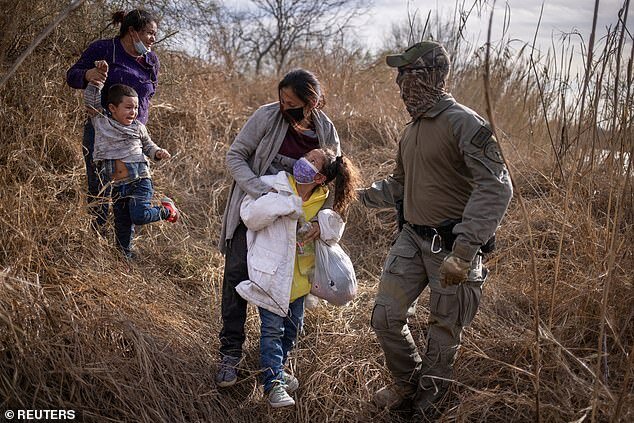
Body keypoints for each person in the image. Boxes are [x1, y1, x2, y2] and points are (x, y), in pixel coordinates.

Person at [358, 40, 513, 418]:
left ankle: (427, 407)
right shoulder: (411, 129)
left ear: (429, 76)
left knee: (443, 335)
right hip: (412, 238)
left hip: (454, 250)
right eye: (398, 77)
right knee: (385, 317)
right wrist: (354, 195)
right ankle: (408, 385)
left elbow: (496, 186)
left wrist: (464, 251)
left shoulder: (465, 123)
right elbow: (398, 185)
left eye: (406, 75)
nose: (399, 84)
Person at [216, 69, 341, 387]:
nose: (284, 105)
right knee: (236, 277)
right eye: (281, 99)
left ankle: (275, 365)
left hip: (295, 229)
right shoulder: (266, 117)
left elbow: (334, 178)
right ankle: (230, 354)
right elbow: (236, 156)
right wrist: (260, 191)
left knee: (288, 290)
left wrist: (320, 222)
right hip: (254, 214)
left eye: (291, 101)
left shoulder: (326, 132)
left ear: (311, 102)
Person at [236, 148, 359, 407]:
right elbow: (249, 216)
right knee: (271, 330)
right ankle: (273, 385)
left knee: (292, 330)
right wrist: (284, 205)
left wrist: (320, 225)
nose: (304, 160)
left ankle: (277, 370)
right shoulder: (274, 185)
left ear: (319, 179)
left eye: (312, 161)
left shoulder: (323, 199)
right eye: (306, 156)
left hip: (301, 280)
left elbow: (335, 229)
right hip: (271, 275)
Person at [67, 9, 160, 230]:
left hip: (133, 138)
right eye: (149, 33)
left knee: (130, 190)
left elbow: (150, 93)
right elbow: (72, 75)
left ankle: (123, 245)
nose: (154, 39)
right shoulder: (104, 49)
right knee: (99, 187)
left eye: (155, 34)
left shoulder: (151, 61)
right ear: (132, 32)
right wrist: (89, 75)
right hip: (102, 132)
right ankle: (97, 237)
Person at [84, 65, 178, 258]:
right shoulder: (102, 122)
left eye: (135, 107)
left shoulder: (138, 128)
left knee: (140, 215)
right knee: (123, 224)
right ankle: (124, 256)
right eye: (128, 107)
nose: (133, 112)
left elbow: (148, 145)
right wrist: (98, 80)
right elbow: (91, 102)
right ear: (112, 108)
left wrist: (157, 152)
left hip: (140, 179)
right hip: (117, 185)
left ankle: (166, 211)